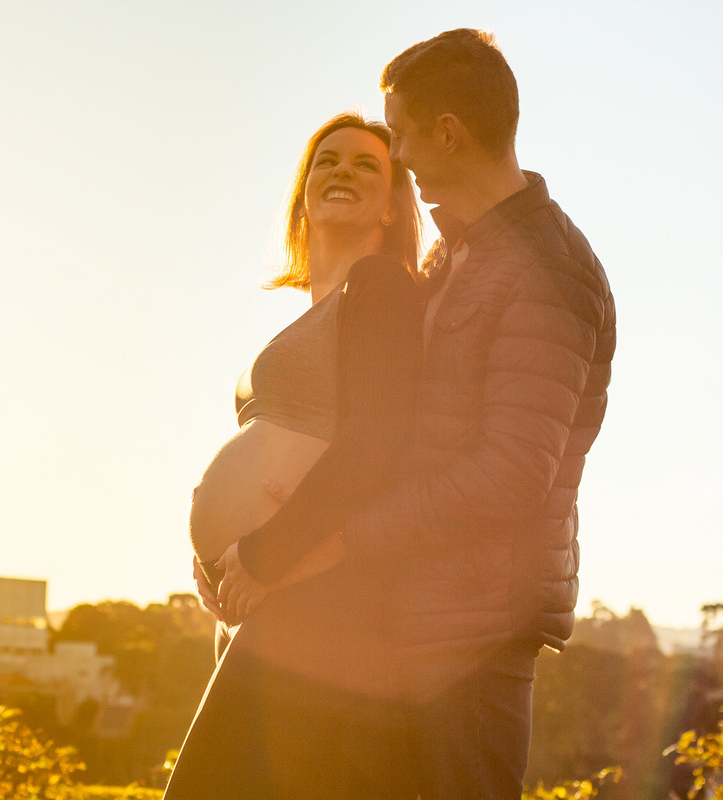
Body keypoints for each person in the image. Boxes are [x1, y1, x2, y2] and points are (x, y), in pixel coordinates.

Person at [217, 29, 617, 799]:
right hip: (405, 631)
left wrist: (333, 543)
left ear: (448, 132)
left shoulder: (549, 269)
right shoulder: (456, 255)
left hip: (472, 650)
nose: (392, 152)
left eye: (396, 133)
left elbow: (509, 476)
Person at [166, 113, 426, 799]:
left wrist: (265, 553)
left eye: (367, 165)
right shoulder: (312, 314)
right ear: (302, 192)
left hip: (314, 605)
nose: (342, 171)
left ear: (394, 204)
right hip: (264, 604)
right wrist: (224, 562)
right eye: (326, 161)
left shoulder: (382, 287)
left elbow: (380, 441)